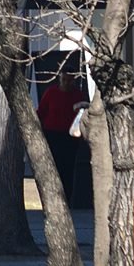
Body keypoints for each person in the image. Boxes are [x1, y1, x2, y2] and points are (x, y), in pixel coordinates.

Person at [38, 67, 89, 206]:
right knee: (53, 167)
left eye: (69, 80)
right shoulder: (51, 93)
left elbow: (82, 117)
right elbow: (41, 112)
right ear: (60, 79)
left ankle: (66, 200)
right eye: (64, 79)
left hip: (70, 137)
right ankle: (51, 200)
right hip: (52, 135)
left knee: (68, 169)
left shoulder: (77, 95)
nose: (66, 83)